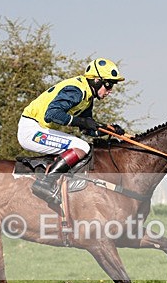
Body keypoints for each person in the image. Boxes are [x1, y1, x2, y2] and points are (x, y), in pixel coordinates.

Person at [18, 57, 126, 203]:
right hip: (32, 130)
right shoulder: (76, 90)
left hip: (41, 129)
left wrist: (107, 130)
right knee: (82, 146)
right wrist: (83, 121)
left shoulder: (87, 97)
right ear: (96, 80)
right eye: (108, 85)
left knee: (82, 144)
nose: (110, 91)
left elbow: (87, 129)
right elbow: (52, 114)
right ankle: (44, 183)